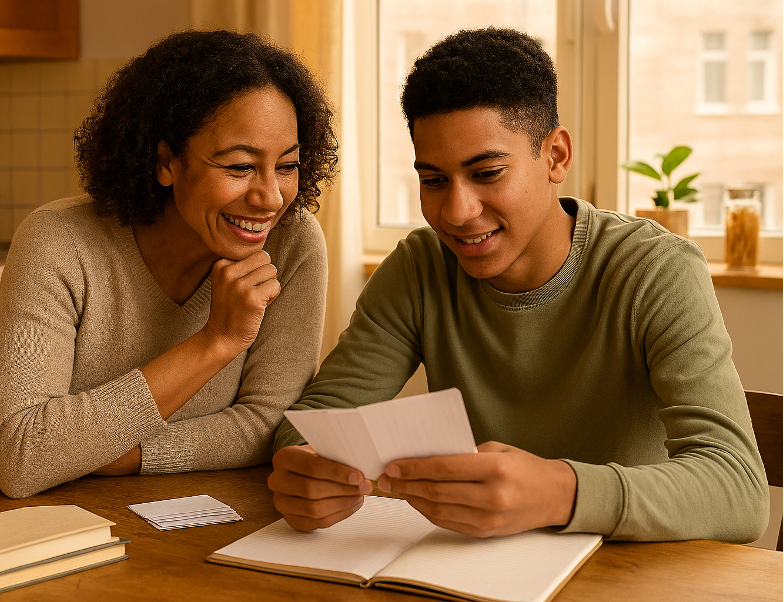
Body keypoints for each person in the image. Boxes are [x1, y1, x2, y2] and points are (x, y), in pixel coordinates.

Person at [267, 27, 769, 543]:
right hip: (470, 570)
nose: (457, 213)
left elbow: (739, 490)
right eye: (433, 180)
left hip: (626, 575)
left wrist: (559, 492)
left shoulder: (656, 271)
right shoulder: (420, 268)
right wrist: (308, 470)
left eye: (486, 174)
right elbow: (309, 424)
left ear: (556, 156)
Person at [0, 30, 337, 499]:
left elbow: (270, 423)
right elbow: (24, 458)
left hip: (208, 526)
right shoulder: (60, 241)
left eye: (288, 166)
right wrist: (218, 342)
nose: (270, 197)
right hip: (57, 530)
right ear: (166, 161)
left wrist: (120, 455)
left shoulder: (293, 244)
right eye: (239, 167)